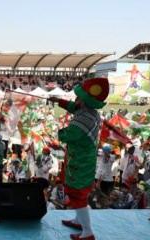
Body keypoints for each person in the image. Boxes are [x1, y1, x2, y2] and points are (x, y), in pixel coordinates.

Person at [50, 77, 109, 240]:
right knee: (77, 194)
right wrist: (58, 101)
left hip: (81, 164)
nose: (76, 99)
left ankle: (88, 232)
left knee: (78, 195)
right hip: (81, 161)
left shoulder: (84, 118)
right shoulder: (90, 111)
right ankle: (78, 220)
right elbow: (74, 107)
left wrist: (59, 133)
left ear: (85, 100)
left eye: (79, 96)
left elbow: (69, 134)